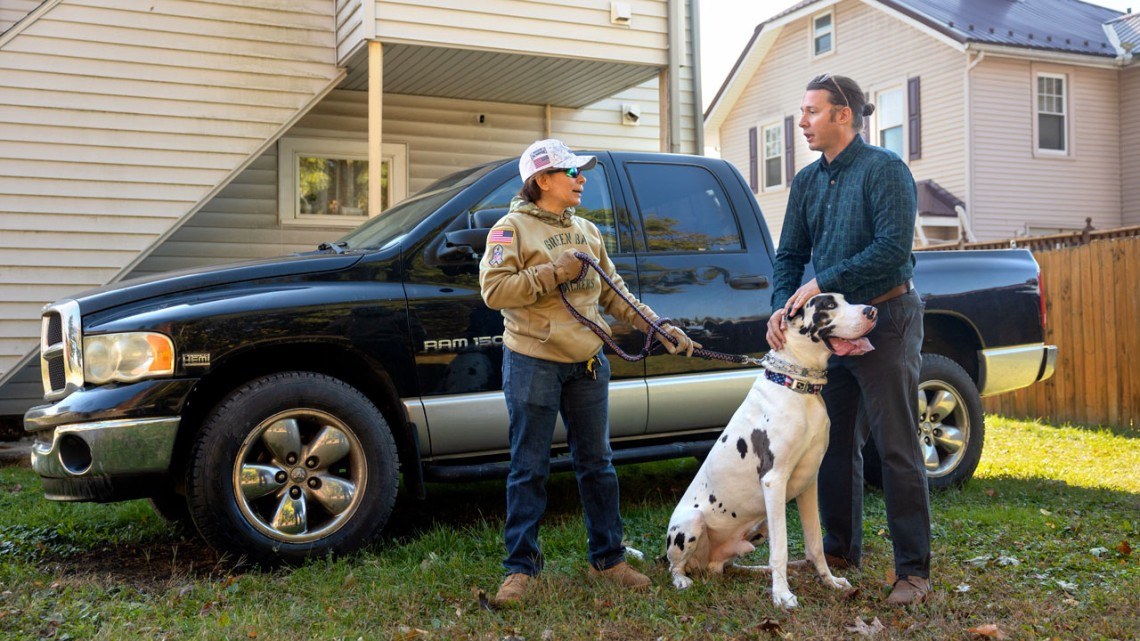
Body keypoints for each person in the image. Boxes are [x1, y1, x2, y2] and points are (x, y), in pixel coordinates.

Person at [479, 139, 700, 606]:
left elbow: (613, 292)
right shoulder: (509, 229)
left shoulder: (588, 230)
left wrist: (657, 326)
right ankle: (520, 569)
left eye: (581, 172)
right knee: (528, 469)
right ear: (541, 180)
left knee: (598, 465)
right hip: (533, 361)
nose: (582, 179)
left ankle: (608, 559)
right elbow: (495, 291)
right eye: (571, 172)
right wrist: (551, 274)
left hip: (588, 363)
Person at [764, 75, 931, 605]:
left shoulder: (886, 170)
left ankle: (914, 572)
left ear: (843, 115)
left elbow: (890, 250)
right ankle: (837, 550)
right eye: (802, 111)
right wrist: (783, 305)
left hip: (887, 319)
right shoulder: (807, 181)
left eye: (812, 111)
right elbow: (789, 253)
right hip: (830, 335)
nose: (803, 122)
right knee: (831, 446)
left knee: (896, 447)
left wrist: (821, 282)